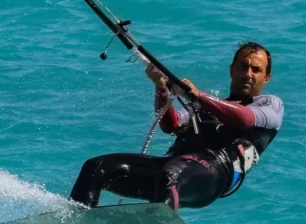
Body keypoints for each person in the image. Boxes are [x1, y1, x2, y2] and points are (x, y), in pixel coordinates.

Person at [69, 42, 284, 210]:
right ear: (231, 70)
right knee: (96, 167)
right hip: (171, 167)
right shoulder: (204, 107)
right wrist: (161, 88)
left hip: (213, 175)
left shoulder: (271, 105)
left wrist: (198, 95)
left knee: (171, 173)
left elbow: (244, 119)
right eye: (242, 67)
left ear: (266, 78)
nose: (248, 74)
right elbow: (170, 125)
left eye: (256, 70)